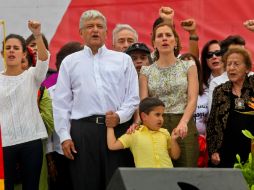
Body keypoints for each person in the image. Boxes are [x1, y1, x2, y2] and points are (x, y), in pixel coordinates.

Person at [53, 10, 139, 190]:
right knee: (85, 183)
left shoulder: (123, 60)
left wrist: (120, 116)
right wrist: (64, 136)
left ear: (107, 33)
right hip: (82, 133)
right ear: (81, 32)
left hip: (118, 129)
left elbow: (133, 97)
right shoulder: (70, 62)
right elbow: (61, 104)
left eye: (100, 27)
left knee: (118, 183)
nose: (95, 30)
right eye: (90, 26)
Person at [139, 21, 199, 167]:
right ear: (154, 43)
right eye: (160, 36)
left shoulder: (188, 65)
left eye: (168, 35)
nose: (164, 38)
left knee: (187, 173)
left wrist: (183, 122)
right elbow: (144, 103)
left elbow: (192, 98)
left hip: (183, 122)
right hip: (156, 124)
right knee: (159, 173)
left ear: (175, 41)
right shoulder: (145, 71)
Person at [0, 20, 49, 190]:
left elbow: (43, 60)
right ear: (2, 54)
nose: (11, 51)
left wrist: (37, 35)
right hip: (4, 143)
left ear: (23, 54)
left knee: (31, 187)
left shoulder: (32, 76)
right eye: (8, 48)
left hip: (31, 140)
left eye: (16, 48)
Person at [207, 47, 254, 168]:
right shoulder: (220, 90)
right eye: (228, 64)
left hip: (251, 149)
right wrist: (213, 150)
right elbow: (212, 122)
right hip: (226, 150)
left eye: (236, 64)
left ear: (247, 68)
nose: (231, 68)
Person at [47, 41, 82, 190]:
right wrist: (50, 159)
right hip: (59, 154)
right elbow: (47, 129)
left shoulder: (89, 89)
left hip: (85, 150)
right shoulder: (49, 92)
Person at [107, 97, 180, 168]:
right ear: (144, 116)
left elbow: (175, 156)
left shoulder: (165, 133)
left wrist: (173, 140)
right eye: (157, 115)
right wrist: (110, 125)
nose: (161, 119)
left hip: (167, 177)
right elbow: (112, 145)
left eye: (162, 115)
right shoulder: (134, 134)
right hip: (145, 178)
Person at [180, 53, 209, 167]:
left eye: (192, 64)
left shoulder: (207, 91)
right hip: (182, 141)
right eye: (184, 64)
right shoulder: (176, 94)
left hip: (203, 142)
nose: (188, 67)